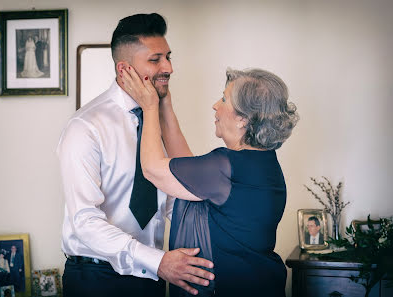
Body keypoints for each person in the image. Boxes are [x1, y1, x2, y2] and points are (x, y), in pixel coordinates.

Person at [57, 13, 214, 297]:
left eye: (168, 57)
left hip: (153, 277)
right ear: (124, 69)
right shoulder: (85, 127)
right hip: (97, 279)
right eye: (155, 60)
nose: (169, 67)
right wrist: (159, 261)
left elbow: (174, 196)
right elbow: (85, 221)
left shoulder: (157, 120)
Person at [120, 66, 299, 296]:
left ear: (243, 119)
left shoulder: (226, 165)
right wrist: (165, 105)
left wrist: (149, 107)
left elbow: (153, 170)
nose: (216, 105)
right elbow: (186, 171)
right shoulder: (262, 162)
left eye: (224, 99)